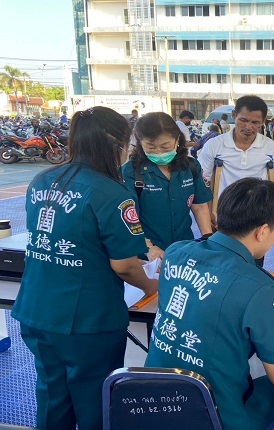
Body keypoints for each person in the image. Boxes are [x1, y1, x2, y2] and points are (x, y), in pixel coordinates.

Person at [11, 106, 158, 430]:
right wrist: (152, 287)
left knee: (52, 395)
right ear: (115, 144)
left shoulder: (43, 180)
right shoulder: (113, 192)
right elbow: (124, 265)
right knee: (95, 401)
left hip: (37, 310)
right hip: (87, 321)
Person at [145, 178, 274, 430]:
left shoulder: (175, 253)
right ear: (262, 231)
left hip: (152, 403)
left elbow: (227, 271)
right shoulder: (260, 291)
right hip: (214, 418)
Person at [122, 112, 213, 260]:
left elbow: (200, 206)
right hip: (148, 255)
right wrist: (148, 246)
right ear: (140, 142)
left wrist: (207, 240)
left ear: (177, 140)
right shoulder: (131, 172)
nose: (158, 152)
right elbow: (127, 218)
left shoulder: (190, 167)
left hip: (184, 249)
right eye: (150, 147)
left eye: (165, 146)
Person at [199, 95, 274, 199]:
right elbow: (202, 182)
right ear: (234, 115)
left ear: (263, 122)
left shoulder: (273, 149)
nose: (248, 127)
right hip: (224, 206)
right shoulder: (213, 145)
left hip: (260, 207)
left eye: (255, 122)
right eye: (243, 120)